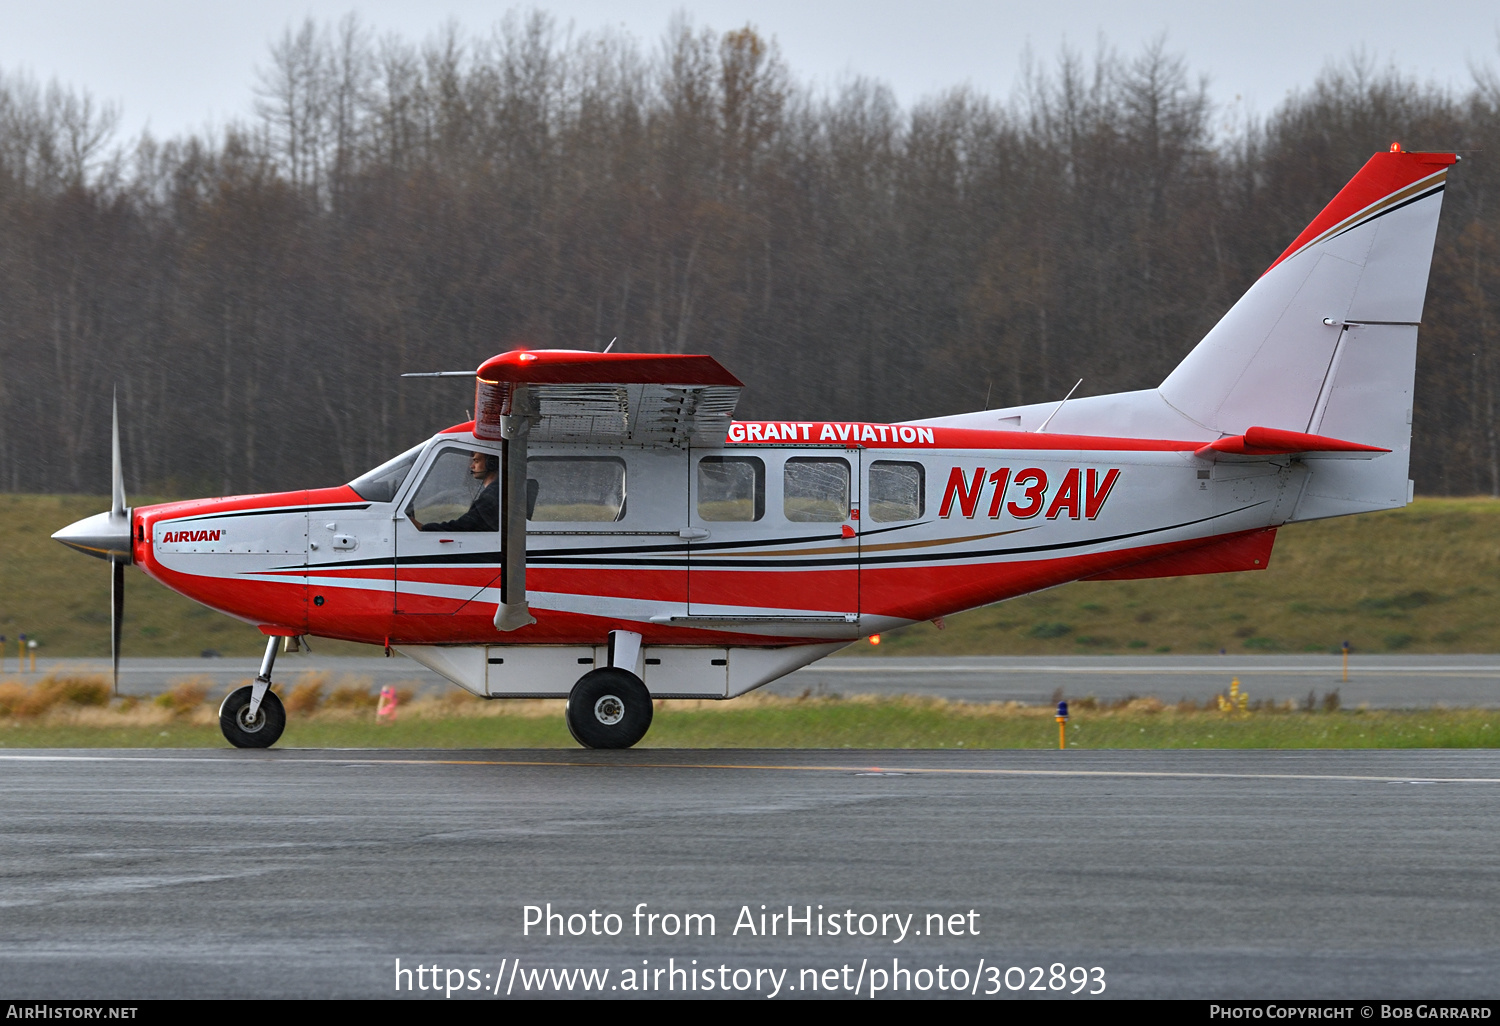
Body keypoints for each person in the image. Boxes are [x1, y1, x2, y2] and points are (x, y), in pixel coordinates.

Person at [410, 451, 499, 532]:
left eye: (476, 461)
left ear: (491, 463)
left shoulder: (492, 493)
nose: (472, 466)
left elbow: (465, 525)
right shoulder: (493, 491)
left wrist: (423, 528)